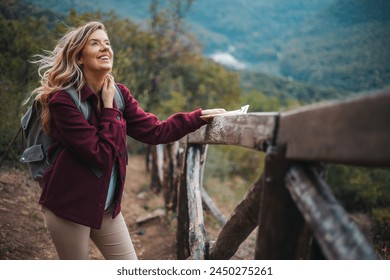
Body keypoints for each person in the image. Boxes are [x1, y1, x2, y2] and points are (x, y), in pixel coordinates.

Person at [29, 21, 225, 260]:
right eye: (95, 44)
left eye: (107, 43)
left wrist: (198, 117)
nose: (105, 48)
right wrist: (109, 108)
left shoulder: (120, 93)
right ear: (79, 57)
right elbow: (100, 156)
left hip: (106, 209)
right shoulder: (64, 101)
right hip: (69, 208)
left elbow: (156, 131)